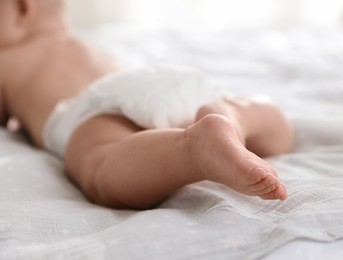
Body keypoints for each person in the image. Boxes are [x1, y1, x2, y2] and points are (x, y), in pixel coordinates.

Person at [0, 0, 294, 210]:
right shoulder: (85, 46)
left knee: (100, 167)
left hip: (92, 110)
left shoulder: (7, 59)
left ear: (23, 8)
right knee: (264, 123)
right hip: (157, 82)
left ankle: (192, 150)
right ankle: (234, 117)